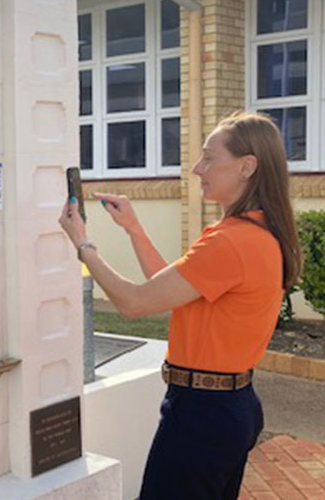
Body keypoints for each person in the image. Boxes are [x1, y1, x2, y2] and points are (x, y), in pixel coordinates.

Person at [59, 112, 302, 500]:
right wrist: (134, 228)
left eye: (209, 158)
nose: (196, 168)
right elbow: (166, 289)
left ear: (247, 167)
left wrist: (82, 244)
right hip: (228, 407)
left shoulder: (231, 242)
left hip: (202, 416)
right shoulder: (255, 234)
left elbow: (134, 303)